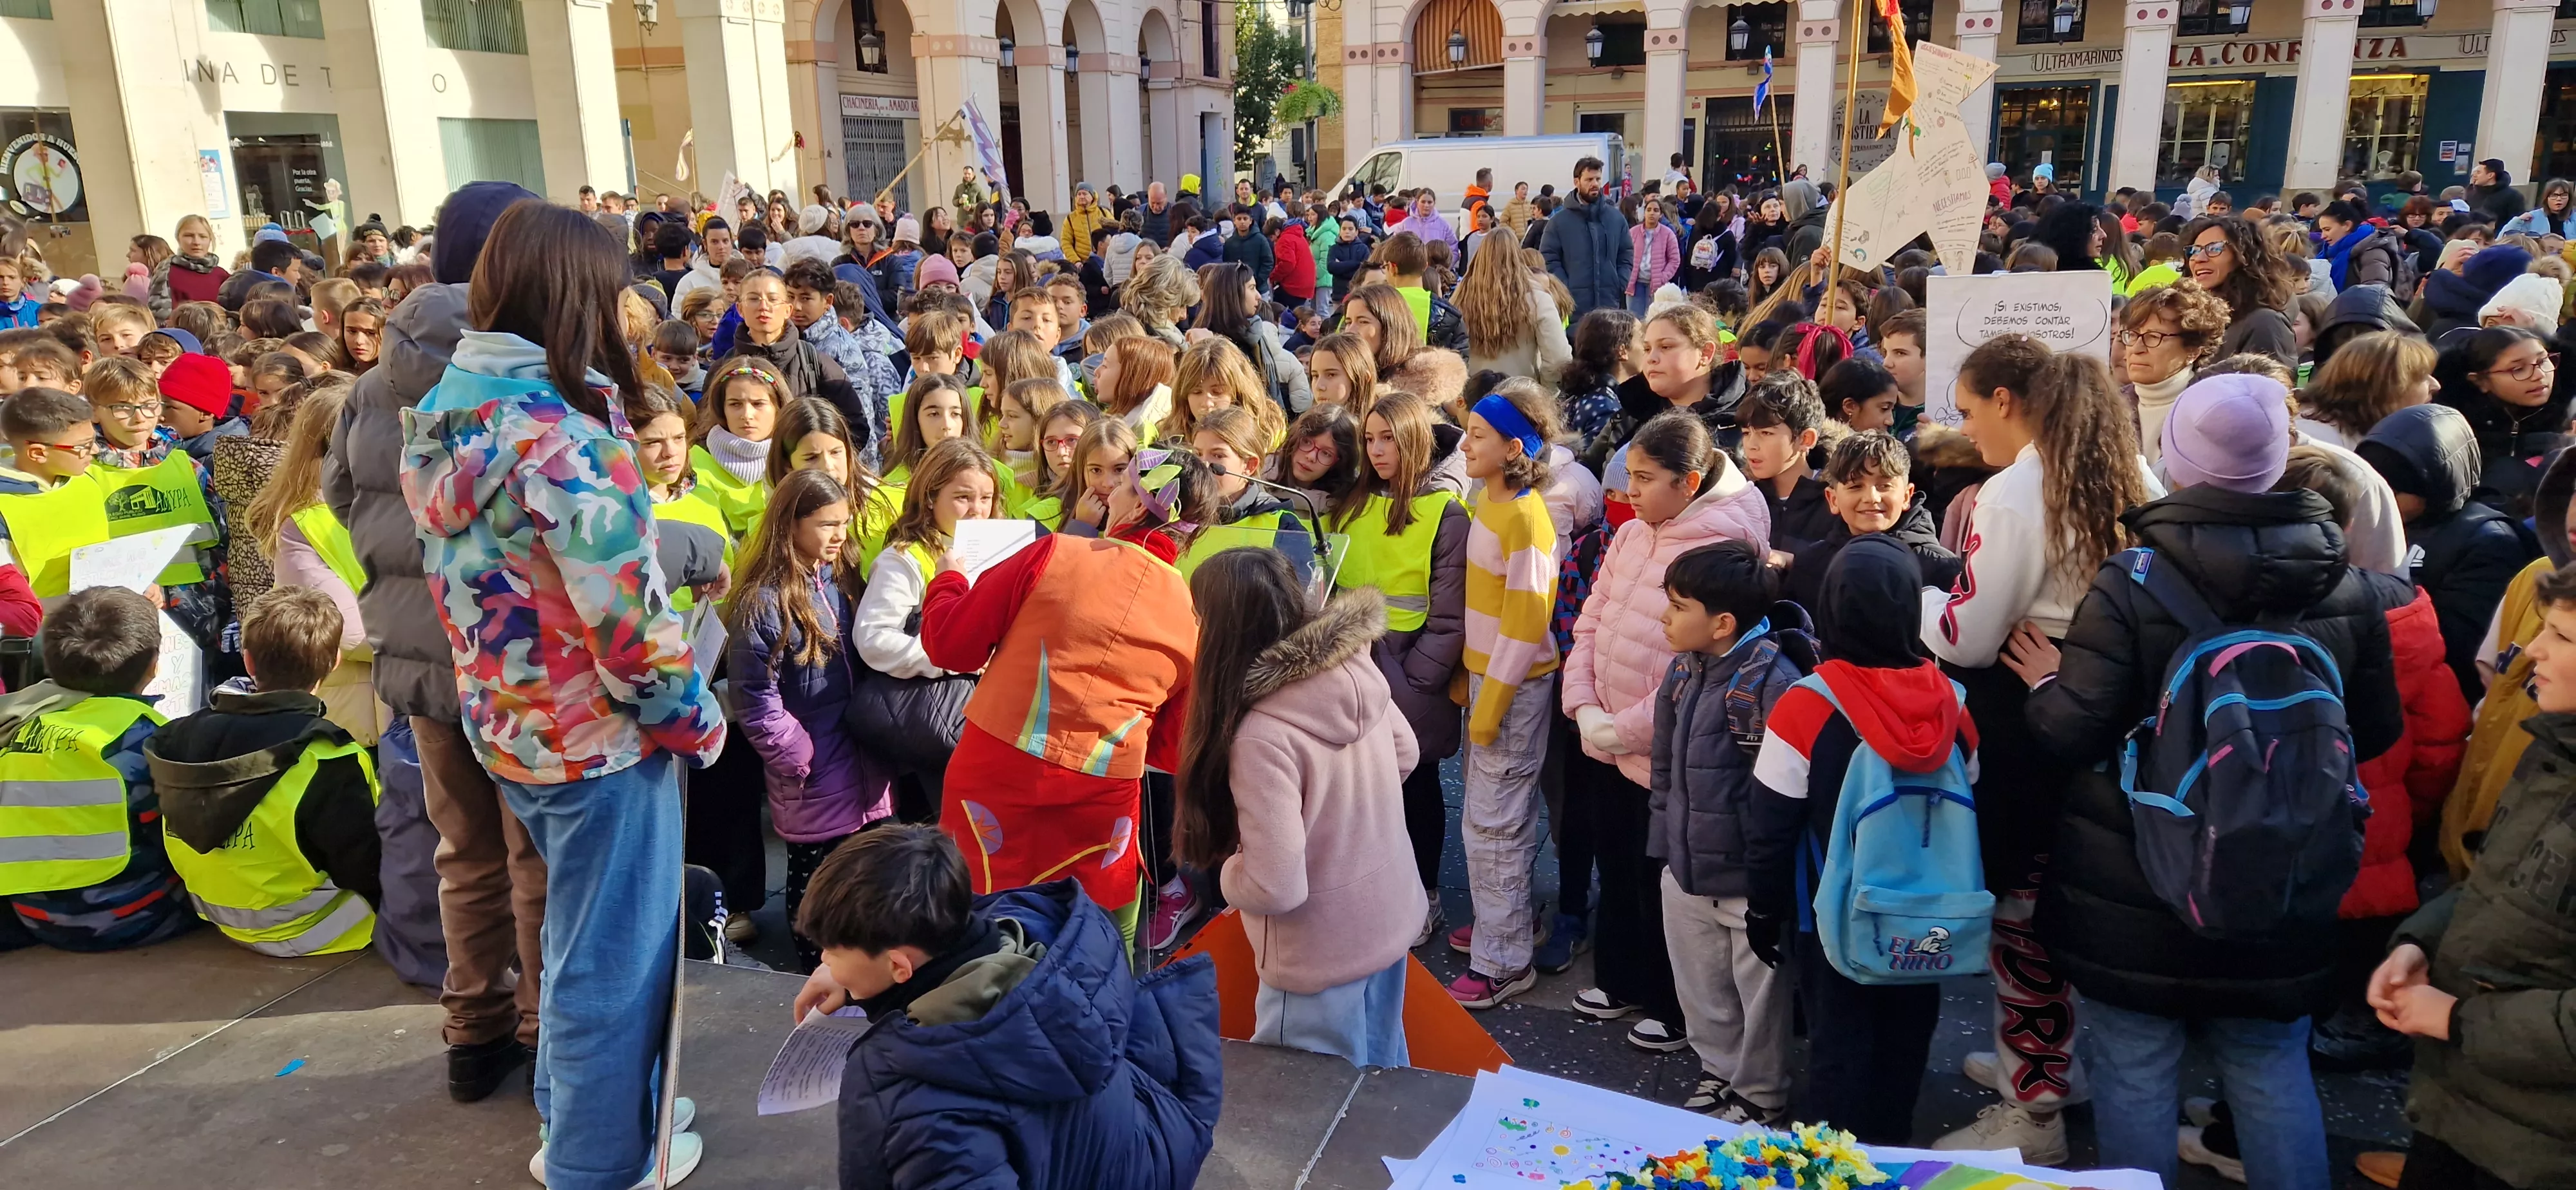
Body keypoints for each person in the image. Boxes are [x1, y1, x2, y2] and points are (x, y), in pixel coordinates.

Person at [2007, 374, 2405, 1190]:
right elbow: (2377, 730)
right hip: (2287, 865)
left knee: (2136, 1062)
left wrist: (2046, 684)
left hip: (2136, 877)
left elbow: (2070, 729)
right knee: (2268, 1058)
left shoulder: (2135, 577)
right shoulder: (2346, 583)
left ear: (2176, 456)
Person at [403, 200, 724, 1186]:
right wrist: (694, 718)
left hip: (510, 723)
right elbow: (628, 632)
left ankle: (579, 1117)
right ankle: (596, 1160)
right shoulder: (566, 436)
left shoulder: (448, 410)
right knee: (612, 962)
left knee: (577, 939)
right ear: (577, 295)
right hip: (600, 737)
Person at [325, 181, 551, 1105]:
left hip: (419, 666)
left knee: (462, 852)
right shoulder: (528, 372)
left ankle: (473, 1029)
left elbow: (343, 499)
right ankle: (543, 1028)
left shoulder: (373, 384)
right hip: (520, 661)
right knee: (534, 856)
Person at [1923, 335, 2160, 1164]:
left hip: (2029, 727)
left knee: (2020, 918)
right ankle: (2055, 1068)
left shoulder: (2016, 491)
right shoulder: (2134, 474)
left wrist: (1918, 596)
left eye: (1967, 407)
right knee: (2069, 903)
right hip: (2109, 714)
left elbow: (1969, 636)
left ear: (2007, 402)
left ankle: (2035, 1111)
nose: (1965, 426)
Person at [790, 824, 1222, 1190]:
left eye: (831, 951)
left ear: (899, 966)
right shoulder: (1040, 939)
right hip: (1144, 1152)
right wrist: (853, 980)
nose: (825, 961)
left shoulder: (924, 1113)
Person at [918, 447, 1204, 944]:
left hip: (997, 766)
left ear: (1137, 508)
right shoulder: (1190, 615)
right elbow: (1169, 746)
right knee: (1091, 931)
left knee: (979, 917)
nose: (1106, 492)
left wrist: (947, 580)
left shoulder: (1056, 552)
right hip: (1103, 787)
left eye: (1121, 484)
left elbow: (952, 645)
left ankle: (972, 1013)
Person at [1745, 536, 1976, 1144]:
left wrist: (1764, 911)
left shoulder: (1807, 705)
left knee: (1836, 1051)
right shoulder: (1953, 704)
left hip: (1833, 914)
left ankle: (1835, 1165)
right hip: (1928, 913)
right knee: (1905, 1047)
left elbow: (1770, 825)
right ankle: (1892, 1149)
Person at [2362, 554, 2576, 1190]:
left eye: (2561, 637)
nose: (2532, 650)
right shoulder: (2555, 751)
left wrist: (2457, 1021)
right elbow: (2496, 885)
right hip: (2465, 1111)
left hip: (2542, 1152)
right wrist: (2418, 943)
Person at [1560, 410, 1768, 1051]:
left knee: (1663, 882)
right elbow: (1591, 618)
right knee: (1615, 861)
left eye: (1647, 480)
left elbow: (1697, 663)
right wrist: (1582, 703)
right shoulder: (1633, 533)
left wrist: (1621, 730)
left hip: (1663, 747)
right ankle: (1620, 980)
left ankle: (1674, 1006)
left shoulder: (1722, 543)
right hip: (1604, 732)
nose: (1631, 493)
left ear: (1691, 481)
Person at [1174, 554, 1419, 1067]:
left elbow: (1277, 885)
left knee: (1307, 1107)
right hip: (1388, 915)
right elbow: (1405, 754)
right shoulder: (1351, 664)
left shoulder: (1261, 734)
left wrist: (1230, 876)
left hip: (1317, 950)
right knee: (1383, 1082)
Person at [1645, 540, 1810, 1122]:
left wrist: (1767, 886)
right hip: (1687, 868)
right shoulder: (1685, 669)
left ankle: (1760, 1092)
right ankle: (1718, 1070)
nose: (1664, 617)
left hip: (1743, 879)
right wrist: (1665, 847)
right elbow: (1663, 766)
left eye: (1677, 606)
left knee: (1758, 996)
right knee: (1701, 984)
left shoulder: (1772, 682)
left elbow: (1783, 795)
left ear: (1721, 623)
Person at [151, 585, 383, 958]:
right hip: (313, 927)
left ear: (247, 661)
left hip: (215, 913)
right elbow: (365, 867)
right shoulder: (329, 755)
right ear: (335, 661)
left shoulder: (180, 733)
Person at [1331, 391, 1468, 947]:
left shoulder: (1445, 512)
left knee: (1418, 790)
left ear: (1415, 440)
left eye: (1389, 438)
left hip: (1410, 678)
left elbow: (1449, 614)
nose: (1378, 450)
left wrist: (1414, 683)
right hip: (1351, 669)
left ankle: (1427, 895)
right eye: (1370, 439)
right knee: (1361, 794)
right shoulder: (1352, 504)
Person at [1446, 379, 1564, 1008]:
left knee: (1495, 825)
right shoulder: (1489, 498)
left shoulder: (1525, 516)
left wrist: (1489, 698)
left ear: (1512, 445)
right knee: (1487, 819)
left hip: (1512, 691)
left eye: (1478, 436)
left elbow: (1526, 620)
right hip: (1490, 683)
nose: (1465, 444)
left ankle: (1505, 958)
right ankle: (1503, 926)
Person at [0, 585, 193, 952]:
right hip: (127, 917)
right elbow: (180, 837)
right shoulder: (146, 736)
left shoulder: (24, 726)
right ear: (153, 665)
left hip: (33, 915)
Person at [2357, 404, 2540, 704]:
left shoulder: (2490, 542)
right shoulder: (2378, 517)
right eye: (2374, 487)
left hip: (2436, 703)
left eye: (2394, 490)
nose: (2381, 499)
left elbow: (2462, 649)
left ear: (2433, 484)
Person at [1783, 431, 1961, 612]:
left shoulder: (1942, 568)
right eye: (1856, 486)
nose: (1872, 498)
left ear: (1907, 495)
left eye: (1884, 486)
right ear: (1833, 500)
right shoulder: (1811, 565)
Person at [2434, 325, 2566, 520]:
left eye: (2543, 360)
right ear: (2481, 381)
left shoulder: (2566, 413)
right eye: (2518, 369)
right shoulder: (2453, 429)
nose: (2539, 375)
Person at [2115, 279, 2230, 468]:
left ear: (2193, 350)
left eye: (2153, 337)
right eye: (2132, 335)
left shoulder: (2214, 410)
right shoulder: (2109, 408)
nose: (2136, 348)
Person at [1460, 220, 1573, 388]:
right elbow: (1558, 359)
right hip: (1522, 396)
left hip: (1473, 396)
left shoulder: (1460, 298)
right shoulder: (1537, 299)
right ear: (1517, 257)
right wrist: (1546, 392)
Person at [1736, 374, 1834, 559]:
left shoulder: (1836, 501)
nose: (1751, 445)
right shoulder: (1743, 497)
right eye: (1746, 433)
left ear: (1806, 439)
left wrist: (1792, 563)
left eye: (1766, 433)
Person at [2183, 216, 2303, 367]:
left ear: (2245, 256)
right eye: (2195, 250)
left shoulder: (2264, 323)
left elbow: (2270, 387)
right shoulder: (2190, 315)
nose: (2199, 258)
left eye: (2215, 248)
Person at [1543, 156, 1634, 318]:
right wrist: (1565, 288)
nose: (1595, 184)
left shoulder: (1615, 219)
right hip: (1574, 313)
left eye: (1598, 179)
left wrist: (1620, 282)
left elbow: (1626, 253)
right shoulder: (1559, 222)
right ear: (1576, 182)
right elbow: (1549, 259)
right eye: (1589, 179)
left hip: (1609, 309)